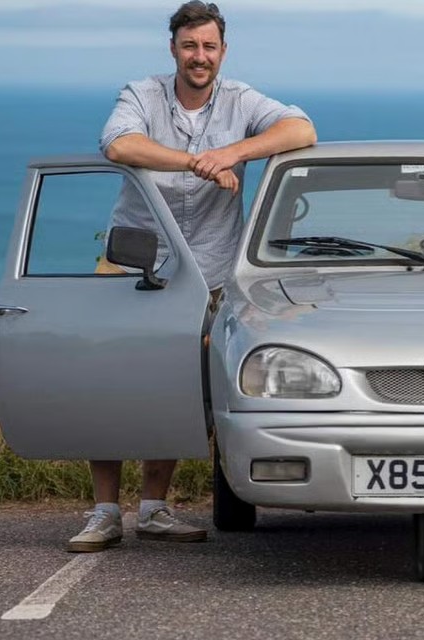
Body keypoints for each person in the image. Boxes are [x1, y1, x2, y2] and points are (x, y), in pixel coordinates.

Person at [67, 0, 317, 553]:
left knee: (183, 387)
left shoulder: (242, 99)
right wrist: (195, 161)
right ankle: (104, 511)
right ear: (173, 49)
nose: (198, 56)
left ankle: (154, 507)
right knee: (106, 385)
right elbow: (117, 144)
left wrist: (232, 152)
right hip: (133, 261)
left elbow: (301, 129)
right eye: (189, 45)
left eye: (208, 46)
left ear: (222, 52)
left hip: (206, 270)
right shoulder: (141, 94)